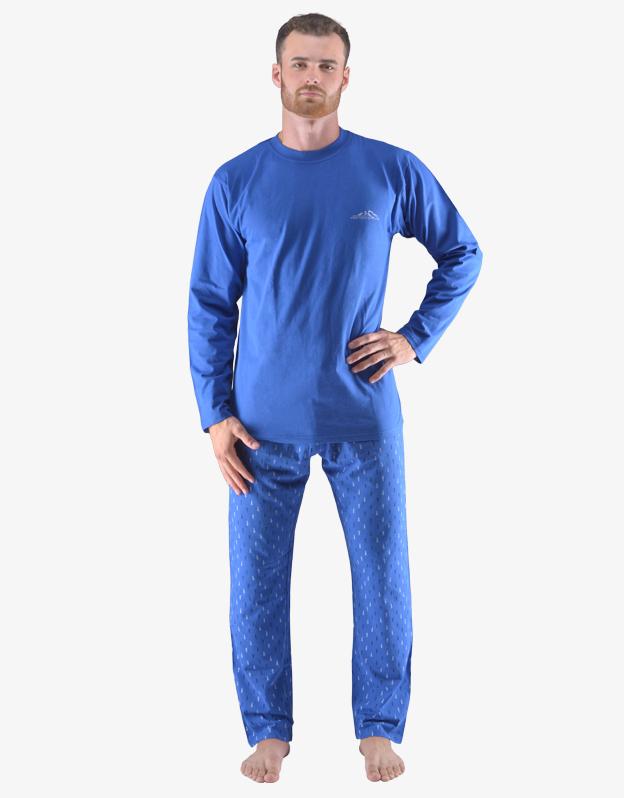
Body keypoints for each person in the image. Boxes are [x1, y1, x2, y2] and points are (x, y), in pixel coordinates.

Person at [187, 12, 483, 784]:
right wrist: (214, 416)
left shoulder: (389, 170)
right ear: (276, 74)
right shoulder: (235, 182)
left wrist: (414, 337)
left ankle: (379, 725)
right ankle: (268, 731)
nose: (311, 77)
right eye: (299, 63)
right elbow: (210, 303)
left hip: (363, 412)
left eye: (326, 65)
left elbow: (462, 251)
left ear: (346, 77)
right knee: (255, 584)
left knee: (382, 572)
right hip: (259, 423)